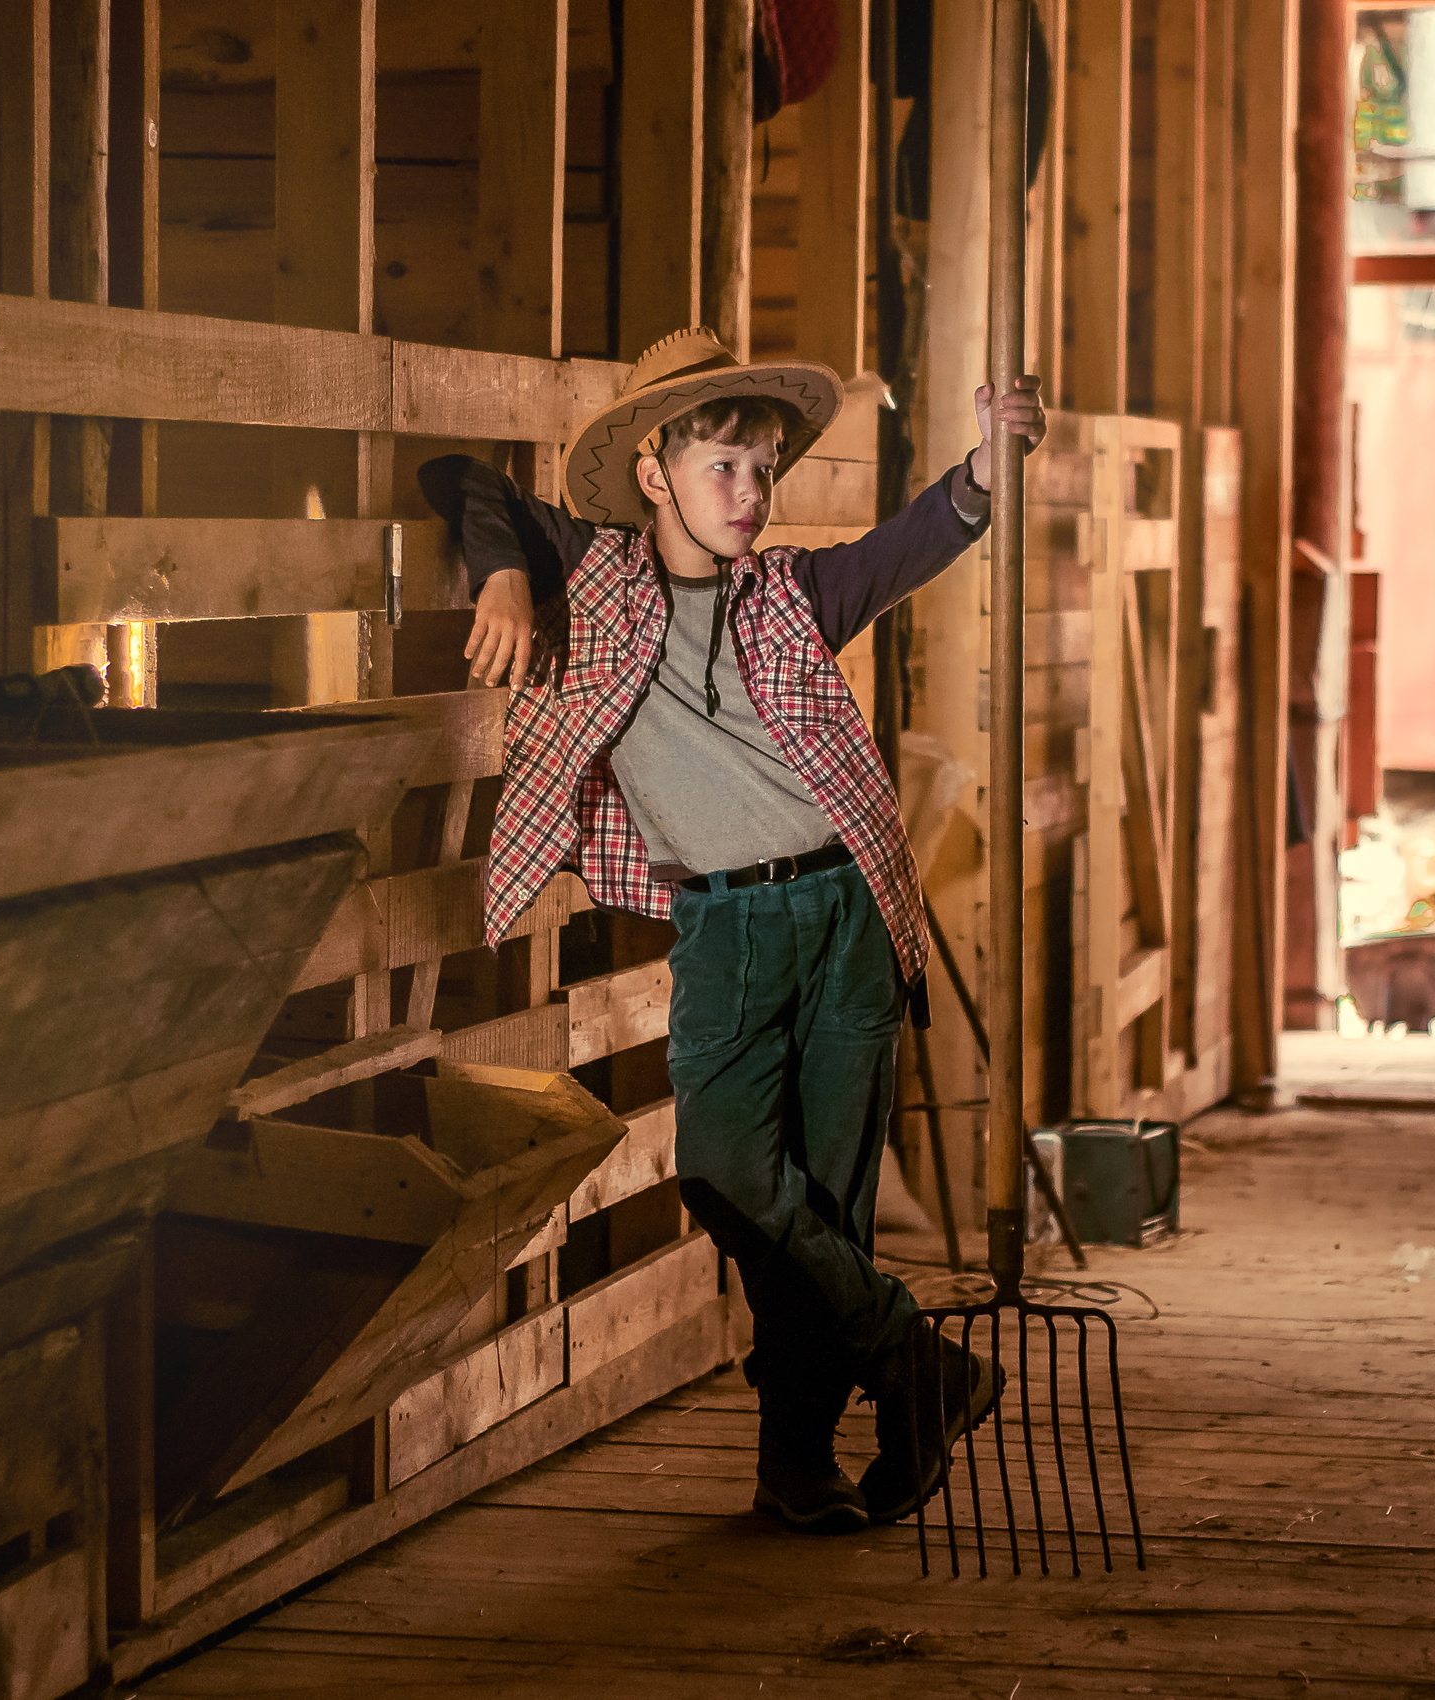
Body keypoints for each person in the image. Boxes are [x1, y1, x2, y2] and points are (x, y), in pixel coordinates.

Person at [419, 326, 1047, 1534]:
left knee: (824, 1199)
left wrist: (985, 463)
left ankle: (796, 1464)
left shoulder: (797, 593)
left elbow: (918, 537)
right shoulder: (587, 573)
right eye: (722, 467)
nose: (751, 496)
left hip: (847, 911)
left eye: (763, 472)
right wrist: (500, 571)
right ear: (653, 473)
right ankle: (915, 1360)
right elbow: (461, 481)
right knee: (726, 1170)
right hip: (723, 923)